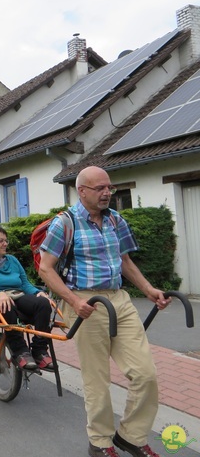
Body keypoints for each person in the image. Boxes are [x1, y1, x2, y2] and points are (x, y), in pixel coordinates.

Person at [39, 166, 171, 457]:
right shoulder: (65, 223)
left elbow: (124, 261)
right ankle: (100, 442)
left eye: (109, 187)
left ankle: (131, 436)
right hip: (85, 302)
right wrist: (73, 301)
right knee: (97, 379)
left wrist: (149, 290)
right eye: (100, 188)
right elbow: (45, 269)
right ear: (82, 191)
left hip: (119, 300)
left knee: (145, 373)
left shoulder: (115, 220)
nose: (107, 193)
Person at [0, 225, 54, 371]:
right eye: (1, 241)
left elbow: (24, 283)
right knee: (7, 304)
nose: (5, 244)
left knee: (43, 304)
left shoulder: (12, 260)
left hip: (16, 294)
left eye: (6, 240)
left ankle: (39, 350)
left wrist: (36, 292)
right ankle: (20, 350)